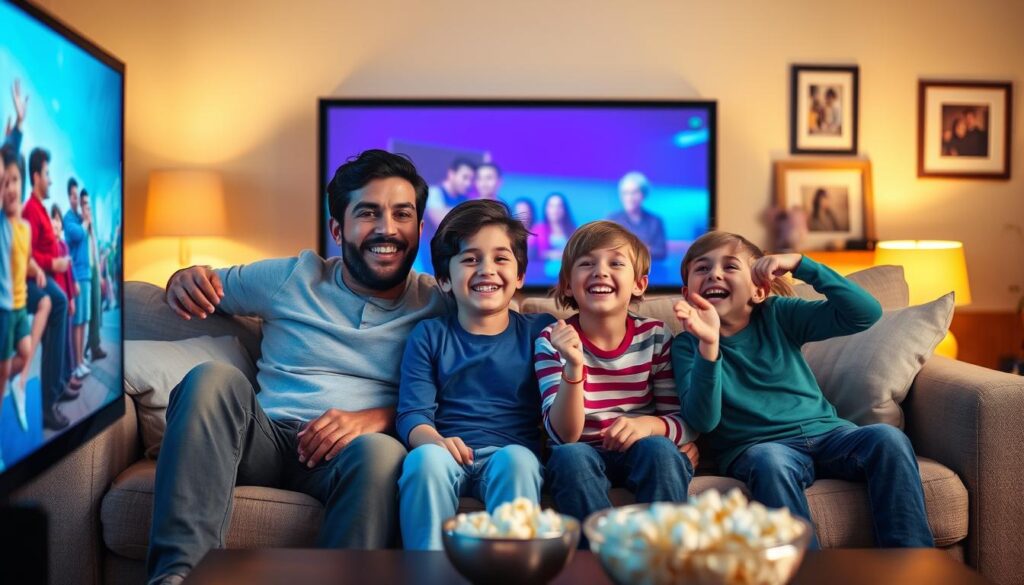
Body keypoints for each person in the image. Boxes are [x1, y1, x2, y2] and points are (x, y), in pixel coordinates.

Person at [147, 150, 450, 585]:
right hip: (265, 440)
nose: (387, 228)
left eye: (402, 214)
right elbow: (204, 283)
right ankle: (178, 578)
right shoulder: (291, 278)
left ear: (420, 228)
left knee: (383, 452)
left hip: (352, 458)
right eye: (368, 213)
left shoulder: (438, 305)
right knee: (210, 378)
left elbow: (466, 392)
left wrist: (378, 419)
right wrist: (183, 277)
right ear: (337, 227)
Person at [671, 231, 933, 549]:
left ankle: (911, 562)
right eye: (702, 268)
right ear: (687, 294)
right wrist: (709, 346)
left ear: (759, 290)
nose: (714, 273)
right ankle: (805, 573)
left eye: (729, 267)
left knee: (889, 438)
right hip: (761, 447)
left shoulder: (779, 314)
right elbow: (703, 420)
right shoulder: (687, 345)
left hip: (830, 435)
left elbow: (865, 314)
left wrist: (801, 264)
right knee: (769, 461)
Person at [396, 200, 554, 550]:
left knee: (517, 460)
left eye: (501, 258)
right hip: (445, 451)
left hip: (510, 453)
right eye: (470, 259)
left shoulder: (541, 330)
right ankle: (429, 571)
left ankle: (514, 571)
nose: (486, 270)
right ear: (444, 280)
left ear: (520, 275)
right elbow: (412, 414)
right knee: (424, 459)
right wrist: (436, 441)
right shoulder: (429, 334)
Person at [535, 220, 698, 530]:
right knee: (570, 457)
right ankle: (602, 556)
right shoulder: (551, 339)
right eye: (587, 263)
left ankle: (665, 557)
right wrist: (573, 365)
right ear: (568, 284)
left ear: (639, 284)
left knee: (660, 450)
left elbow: (683, 422)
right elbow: (563, 435)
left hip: (641, 450)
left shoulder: (655, 336)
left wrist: (648, 425)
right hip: (579, 453)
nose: (601, 271)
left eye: (615, 263)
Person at [22, 147, 76, 431]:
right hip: (36, 281)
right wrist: (54, 262)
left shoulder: (41, 209)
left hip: (49, 279)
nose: (51, 179)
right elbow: (26, 254)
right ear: (36, 176)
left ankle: (56, 387)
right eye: (47, 174)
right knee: (57, 305)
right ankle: (48, 404)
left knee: (61, 311)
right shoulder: (29, 210)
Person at [2, 146, 49, 433]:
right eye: (5, 182)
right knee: (6, 368)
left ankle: (17, 382)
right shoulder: (4, 225)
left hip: (20, 306)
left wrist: (38, 269)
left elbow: (27, 258)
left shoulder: (23, 228)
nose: (9, 188)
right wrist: (16, 130)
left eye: (14, 181)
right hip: (6, 309)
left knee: (26, 350)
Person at [63, 179, 92, 379]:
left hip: (86, 275)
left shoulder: (78, 217)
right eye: (73, 197)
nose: (76, 200)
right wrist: (85, 222)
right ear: (69, 197)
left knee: (83, 321)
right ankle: (76, 364)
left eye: (77, 197)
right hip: (78, 277)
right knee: (77, 322)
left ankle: (80, 359)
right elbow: (78, 235)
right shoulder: (69, 219)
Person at [606, 172, 667, 260]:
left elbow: (661, 252)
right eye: (625, 193)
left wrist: (627, 249)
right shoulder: (612, 219)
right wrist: (644, 248)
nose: (629, 198)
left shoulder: (655, 221)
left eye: (634, 192)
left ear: (643, 194)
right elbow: (607, 250)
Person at [81, 190, 107, 361]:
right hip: (84, 273)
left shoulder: (92, 228)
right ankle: (82, 350)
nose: (88, 210)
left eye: (89, 206)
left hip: (95, 270)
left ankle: (95, 346)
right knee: (86, 313)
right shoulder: (80, 227)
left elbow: (95, 251)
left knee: (97, 310)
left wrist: (100, 273)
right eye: (85, 206)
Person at [533, 192, 576, 262]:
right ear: (546, 209)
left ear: (564, 210)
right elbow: (532, 254)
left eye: (559, 206)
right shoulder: (538, 230)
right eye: (551, 206)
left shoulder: (573, 231)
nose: (555, 210)